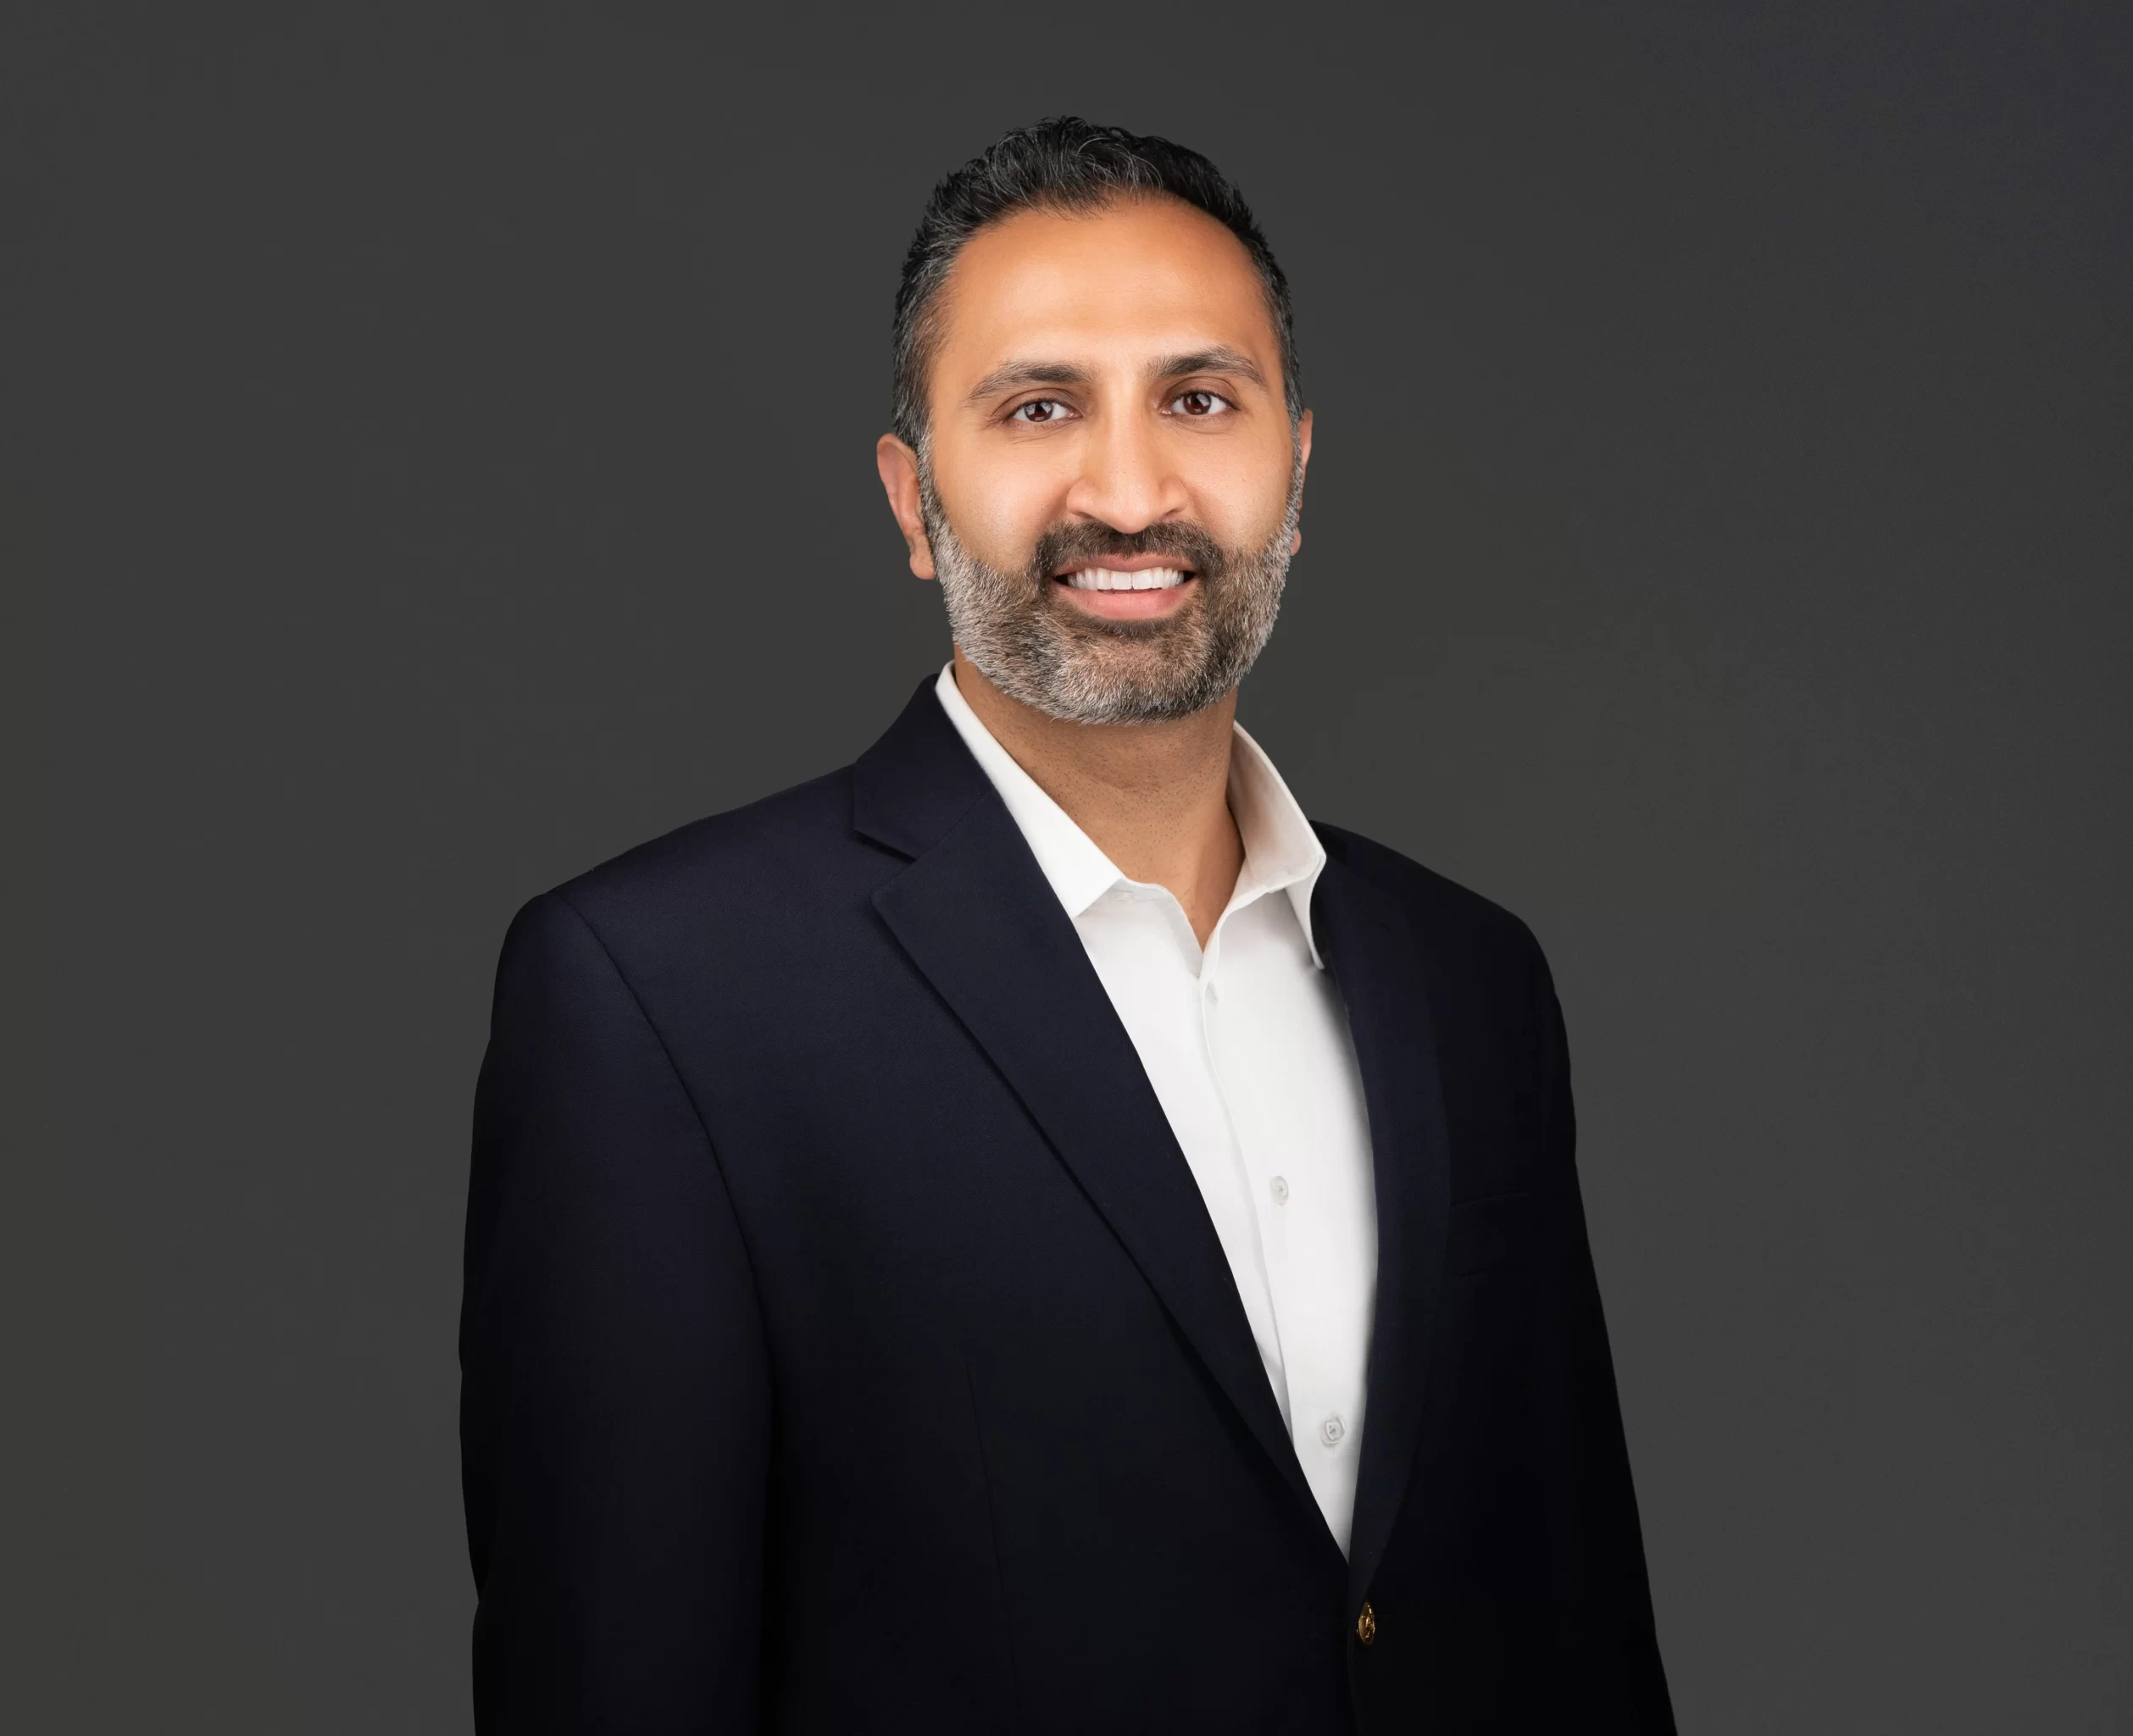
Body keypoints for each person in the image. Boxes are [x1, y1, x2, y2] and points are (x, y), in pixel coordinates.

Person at [460, 116, 1674, 1733]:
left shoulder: (1469, 981)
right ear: (913, 497)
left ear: (1295, 470)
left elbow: (1572, 1634)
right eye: (1040, 407)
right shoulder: (660, 995)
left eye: (1198, 399)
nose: (1128, 489)